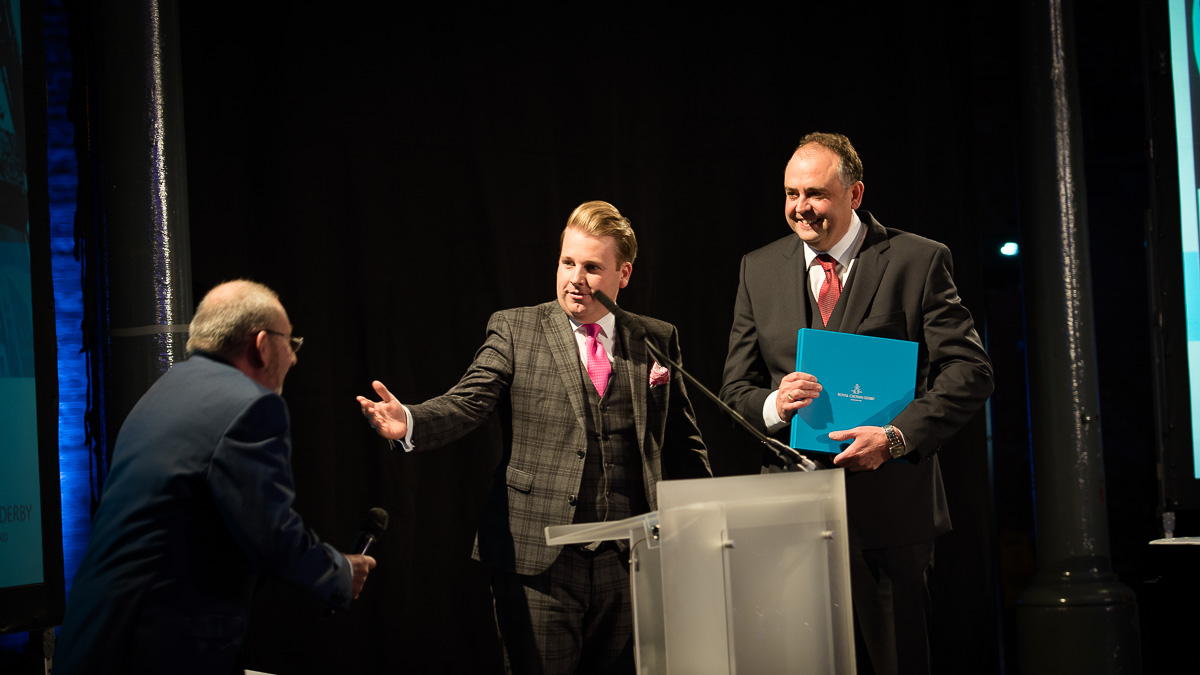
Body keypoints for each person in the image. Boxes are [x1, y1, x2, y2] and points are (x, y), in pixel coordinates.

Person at [358, 200, 711, 674]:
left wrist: (706, 522)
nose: (574, 279)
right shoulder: (517, 329)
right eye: (567, 262)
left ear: (623, 275)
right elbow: (469, 401)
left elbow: (682, 444)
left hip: (630, 563)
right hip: (540, 561)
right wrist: (413, 421)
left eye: (591, 267)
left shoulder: (655, 339)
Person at [719, 133, 994, 675]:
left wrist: (894, 438)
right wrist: (776, 404)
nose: (801, 208)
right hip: (790, 518)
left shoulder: (917, 260)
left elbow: (970, 371)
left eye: (816, 193)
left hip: (888, 516)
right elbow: (735, 391)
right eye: (791, 193)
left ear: (855, 194)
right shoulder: (759, 267)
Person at [55, 280, 376, 675]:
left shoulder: (164, 390)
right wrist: (340, 572)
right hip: (156, 649)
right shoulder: (253, 408)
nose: (293, 359)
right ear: (261, 344)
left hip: (98, 638)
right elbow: (273, 538)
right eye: (290, 343)